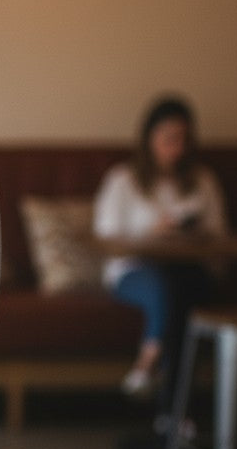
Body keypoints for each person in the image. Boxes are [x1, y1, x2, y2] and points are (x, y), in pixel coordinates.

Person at [93, 96, 228, 418]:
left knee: (185, 285)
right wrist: (153, 232)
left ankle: (154, 378)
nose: (177, 147)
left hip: (188, 269)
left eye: (183, 139)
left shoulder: (202, 181)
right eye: (169, 138)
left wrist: (189, 234)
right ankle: (175, 409)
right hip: (134, 270)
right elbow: (107, 237)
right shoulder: (122, 180)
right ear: (149, 138)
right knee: (170, 290)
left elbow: (219, 236)